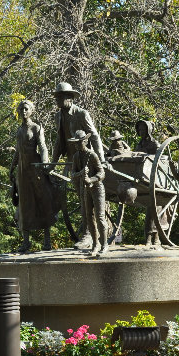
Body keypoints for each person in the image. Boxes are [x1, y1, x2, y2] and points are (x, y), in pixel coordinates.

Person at [50, 82, 105, 249]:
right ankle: (88, 233)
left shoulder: (81, 114)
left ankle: (88, 235)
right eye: (57, 97)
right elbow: (60, 141)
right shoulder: (58, 116)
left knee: (86, 197)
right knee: (82, 199)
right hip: (74, 160)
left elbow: (94, 136)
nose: (57, 100)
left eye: (60, 97)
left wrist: (100, 160)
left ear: (69, 98)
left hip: (88, 160)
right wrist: (53, 163)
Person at [9, 100, 60, 252]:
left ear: (31, 111)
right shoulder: (19, 130)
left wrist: (44, 163)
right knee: (24, 205)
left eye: (26, 109)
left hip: (35, 168)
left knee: (42, 201)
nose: (23, 111)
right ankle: (26, 242)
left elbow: (43, 147)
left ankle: (47, 241)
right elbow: (18, 152)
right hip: (22, 172)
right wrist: (12, 168)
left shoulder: (36, 127)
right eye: (21, 109)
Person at [70, 130, 108, 257]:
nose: (77, 145)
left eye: (79, 142)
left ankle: (104, 245)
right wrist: (81, 173)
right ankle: (95, 244)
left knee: (100, 217)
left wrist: (91, 179)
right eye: (76, 143)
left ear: (85, 142)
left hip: (97, 189)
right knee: (89, 218)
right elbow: (72, 174)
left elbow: (102, 173)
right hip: (86, 190)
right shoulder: (76, 156)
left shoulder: (92, 155)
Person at [133, 120, 166, 247]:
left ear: (148, 130)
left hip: (154, 179)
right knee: (150, 212)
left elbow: (160, 160)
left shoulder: (154, 144)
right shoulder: (139, 144)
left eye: (143, 129)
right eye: (139, 130)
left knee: (155, 211)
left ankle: (155, 239)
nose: (141, 132)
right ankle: (148, 239)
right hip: (142, 178)